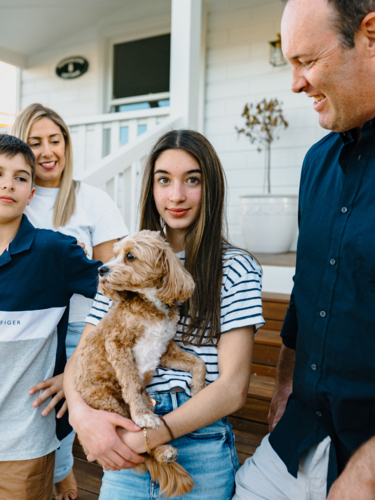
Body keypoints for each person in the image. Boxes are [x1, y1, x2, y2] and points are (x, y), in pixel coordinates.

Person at [63, 129, 265, 499]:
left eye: (192, 180)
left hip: (198, 441)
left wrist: (148, 436)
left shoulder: (235, 267)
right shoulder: (123, 264)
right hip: (124, 436)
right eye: (164, 180)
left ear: (211, 188)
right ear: (151, 189)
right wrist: (81, 416)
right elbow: (82, 355)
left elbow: (234, 388)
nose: (177, 195)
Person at [233, 0, 375, 499]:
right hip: (301, 433)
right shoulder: (316, 162)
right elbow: (307, 287)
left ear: (370, 35)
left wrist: (367, 472)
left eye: (307, 61)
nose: (295, 84)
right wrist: (284, 381)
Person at [11, 103, 128, 500]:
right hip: (31, 329)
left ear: (67, 144)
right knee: (35, 413)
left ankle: (65, 475)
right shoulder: (13, 197)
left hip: (82, 329)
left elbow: (115, 283)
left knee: (65, 411)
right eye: (35, 142)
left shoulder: (92, 200)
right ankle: (59, 475)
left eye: (55, 140)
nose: (47, 151)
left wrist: (79, 364)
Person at [0, 134, 101, 500]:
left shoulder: (54, 251)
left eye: (21, 177)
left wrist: (76, 369)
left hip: (23, 444)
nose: (8, 183)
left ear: (32, 193)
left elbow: (120, 300)